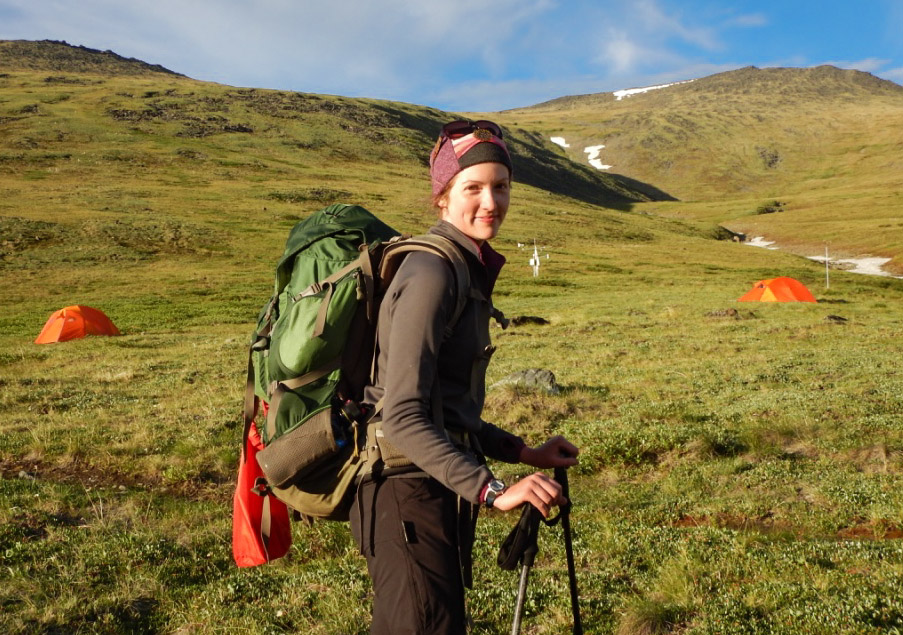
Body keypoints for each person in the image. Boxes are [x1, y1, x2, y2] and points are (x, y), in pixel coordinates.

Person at [351, 119, 580, 634]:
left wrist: (524, 452)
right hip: (404, 493)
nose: (491, 202)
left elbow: (448, 411)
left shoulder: (462, 265)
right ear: (442, 196)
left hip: (431, 488)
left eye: (501, 186)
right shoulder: (432, 273)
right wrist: (494, 489)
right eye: (473, 187)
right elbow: (403, 415)